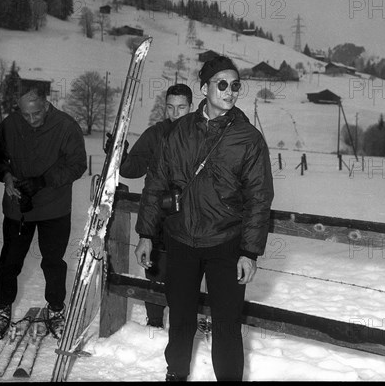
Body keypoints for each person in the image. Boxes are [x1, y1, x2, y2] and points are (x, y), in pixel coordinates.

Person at [135, 56, 274, 381]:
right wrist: (145, 233)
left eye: (235, 85)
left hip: (225, 244)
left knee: (226, 326)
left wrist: (249, 252)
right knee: (181, 320)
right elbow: (156, 181)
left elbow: (259, 198)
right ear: (204, 88)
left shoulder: (248, 139)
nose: (230, 91)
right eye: (222, 84)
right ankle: (176, 374)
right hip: (180, 239)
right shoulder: (179, 131)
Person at [0, 84, 87, 341]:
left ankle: (56, 311)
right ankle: (2, 310)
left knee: (53, 262)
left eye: (36, 113)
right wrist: (6, 175)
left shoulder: (66, 126)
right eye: (25, 114)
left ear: (46, 104)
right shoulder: (10, 125)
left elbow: (77, 165)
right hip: (18, 206)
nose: (31, 120)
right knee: (10, 261)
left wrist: (43, 181)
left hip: (54, 207)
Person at [112, 83, 193, 329]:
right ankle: (154, 323)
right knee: (156, 271)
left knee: (188, 274)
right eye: (170, 107)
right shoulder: (156, 133)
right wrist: (119, 156)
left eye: (181, 107)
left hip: (191, 216)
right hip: (158, 214)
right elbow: (132, 168)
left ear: (190, 107)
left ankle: (186, 323)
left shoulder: (201, 133)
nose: (175, 113)